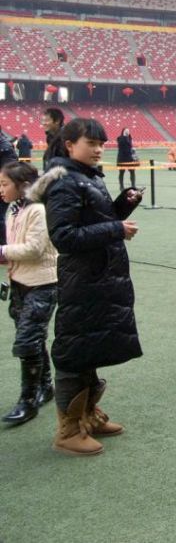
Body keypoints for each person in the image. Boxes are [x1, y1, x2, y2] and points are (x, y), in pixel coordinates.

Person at [40, 117, 144, 456]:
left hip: (99, 277)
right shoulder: (64, 182)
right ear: (70, 145)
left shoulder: (86, 176)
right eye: (91, 143)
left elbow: (94, 221)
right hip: (82, 278)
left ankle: (86, 416)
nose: (99, 149)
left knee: (90, 345)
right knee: (75, 350)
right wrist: (116, 229)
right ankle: (68, 430)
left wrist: (121, 207)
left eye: (101, 143)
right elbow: (64, 237)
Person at [0, 162, 57, 426]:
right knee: (34, 338)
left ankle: (29, 400)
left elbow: (34, 248)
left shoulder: (37, 210)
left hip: (42, 284)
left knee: (27, 340)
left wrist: (3, 252)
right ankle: (45, 385)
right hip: (19, 283)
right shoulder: (14, 209)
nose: (1, 189)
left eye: (4, 184)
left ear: (23, 186)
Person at [116, 127, 137, 191]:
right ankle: (121, 186)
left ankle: (133, 186)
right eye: (126, 130)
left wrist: (133, 151)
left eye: (128, 130)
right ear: (123, 131)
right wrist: (124, 136)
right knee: (121, 173)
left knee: (132, 172)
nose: (127, 131)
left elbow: (130, 145)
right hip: (122, 158)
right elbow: (120, 144)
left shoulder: (130, 138)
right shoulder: (119, 138)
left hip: (129, 158)